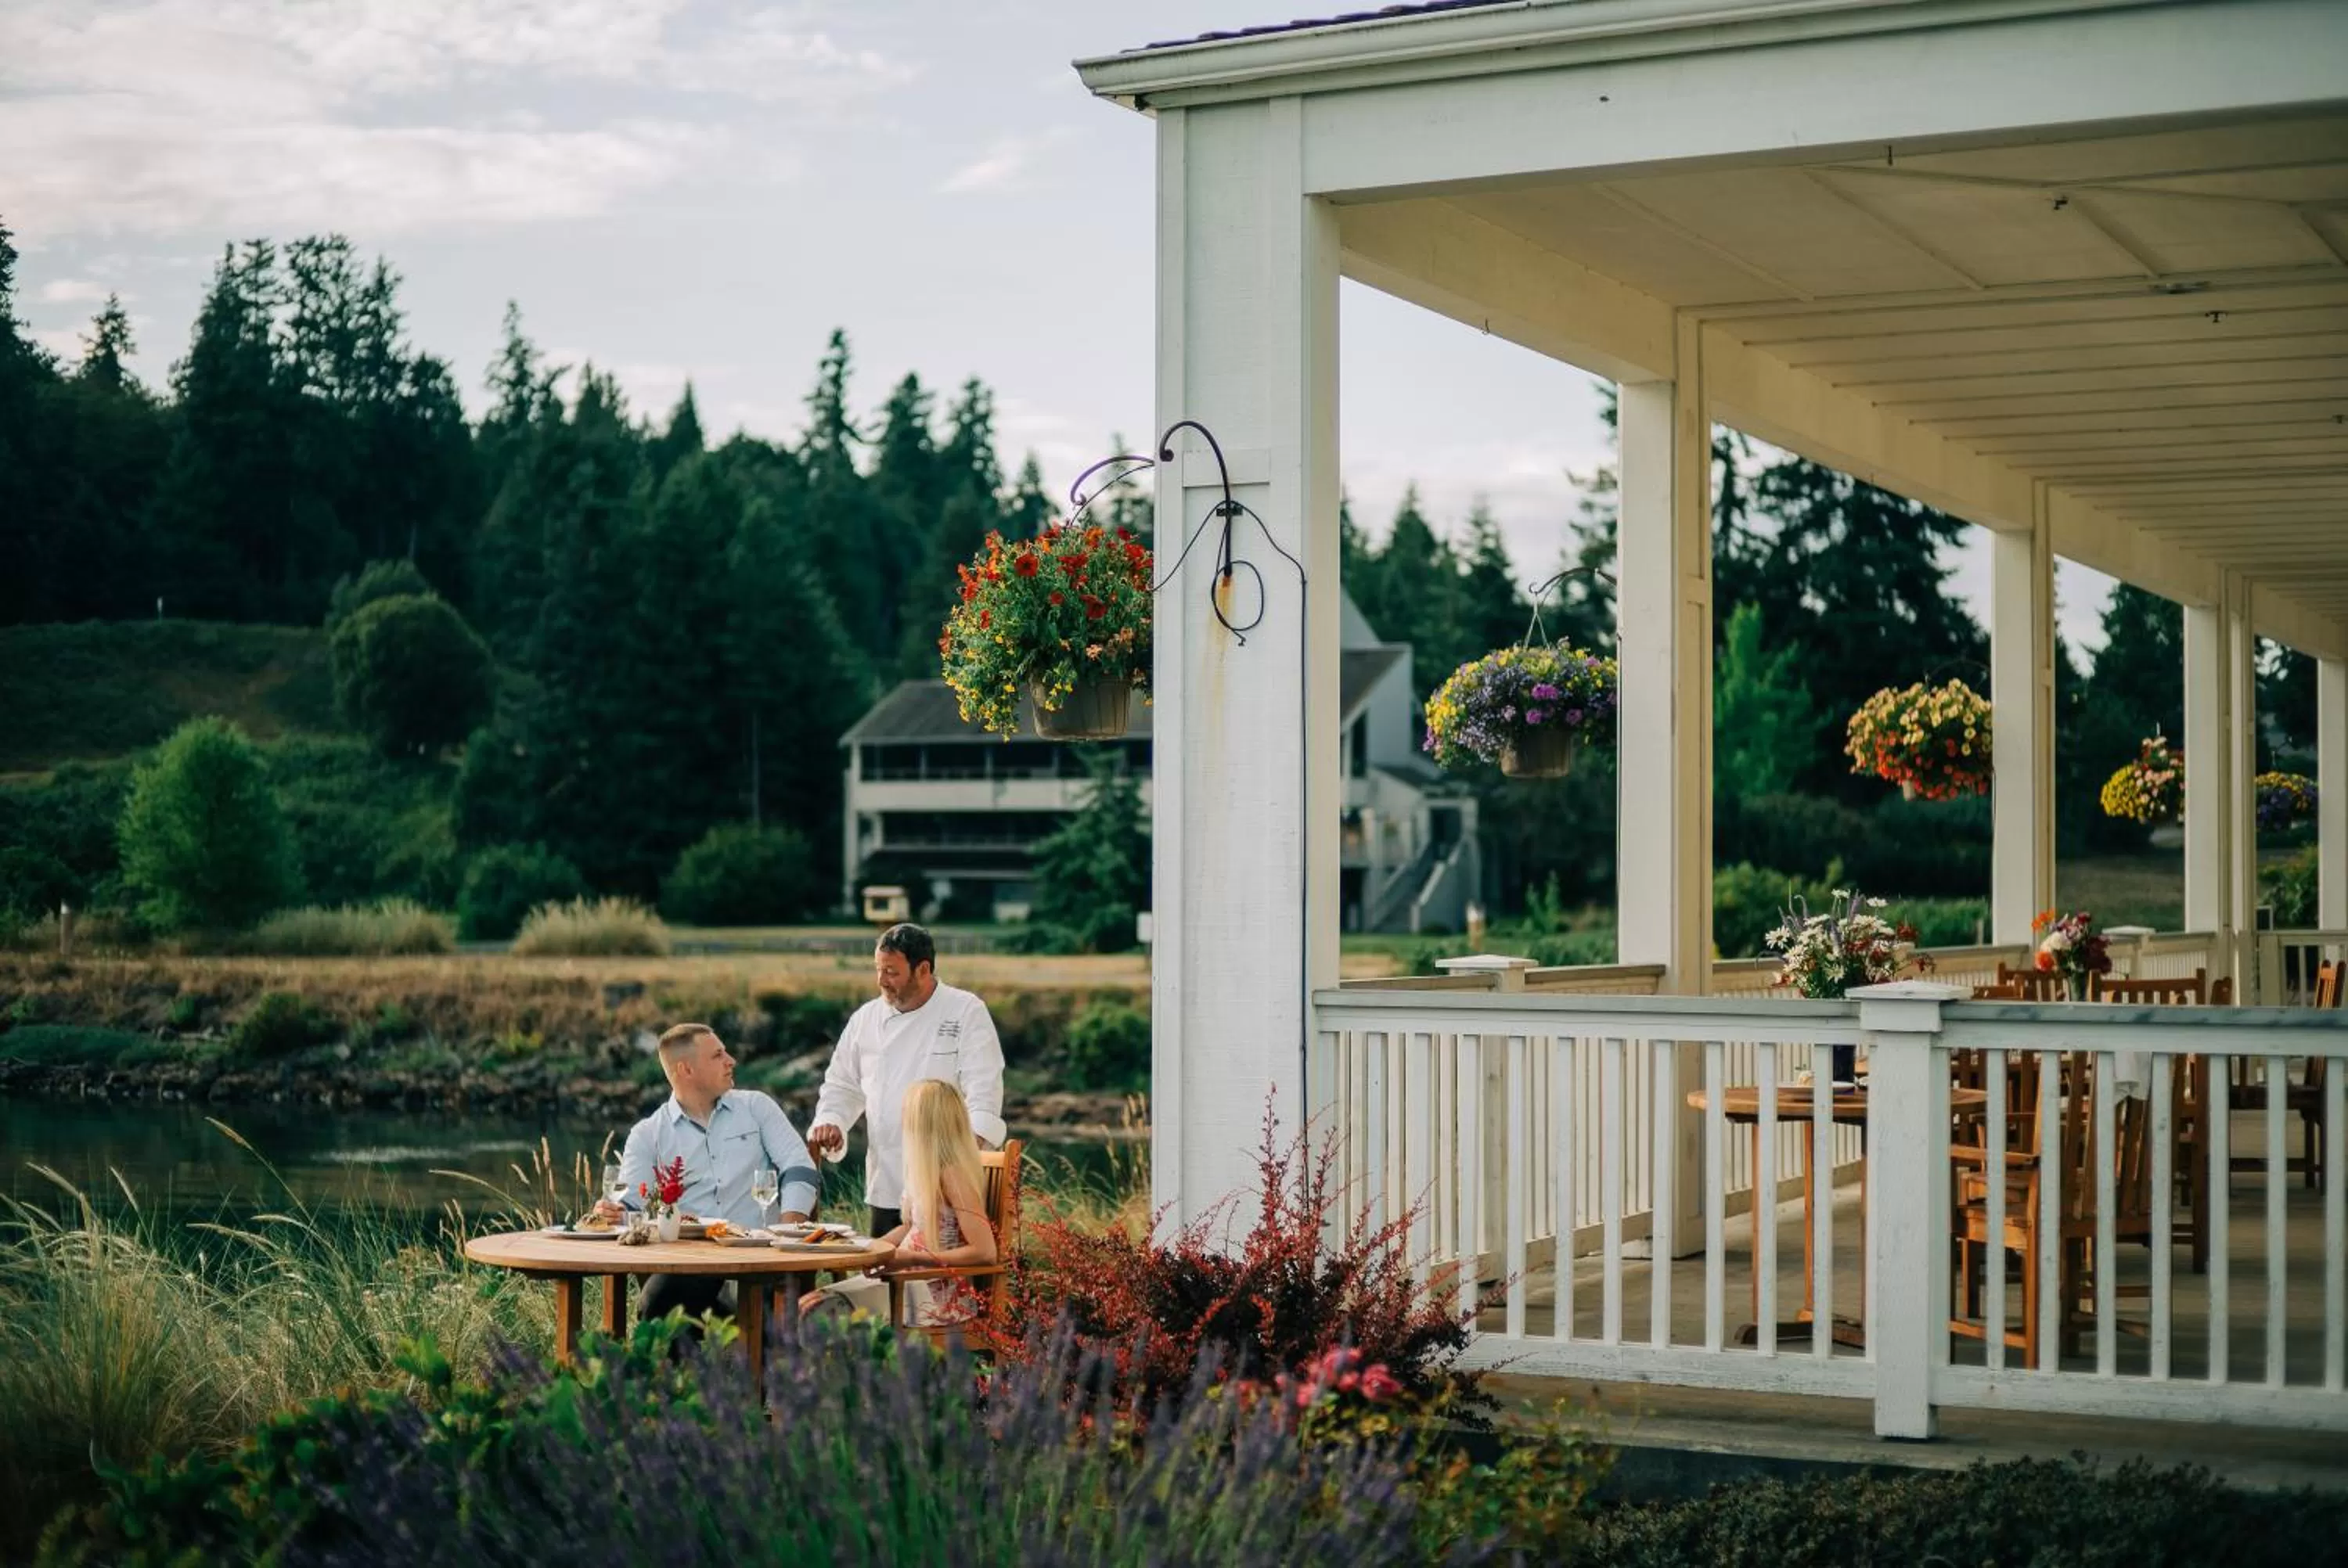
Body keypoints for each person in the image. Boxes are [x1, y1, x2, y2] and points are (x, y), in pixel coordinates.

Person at [597, 1022, 820, 1326]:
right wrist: (612, 1213)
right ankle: (681, 1373)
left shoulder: (757, 1107)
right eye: (718, 1055)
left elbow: (799, 1167)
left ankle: (761, 1373)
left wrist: (788, 1230)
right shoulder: (648, 1134)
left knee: (769, 1303)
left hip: (760, 1255)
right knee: (659, 1300)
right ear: (686, 1070)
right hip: (691, 1262)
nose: (731, 1061)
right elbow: (632, 1207)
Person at [807, 922, 1007, 1238]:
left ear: (923, 969)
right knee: (883, 1276)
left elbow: (984, 1094)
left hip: (946, 1192)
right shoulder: (866, 1019)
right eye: (878, 970)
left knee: (928, 1280)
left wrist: (956, 1168)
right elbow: (842, 1084)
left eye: (891, 972)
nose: (881, 981)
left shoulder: (966, 1011)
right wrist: (832, 1119)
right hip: (888, 1182)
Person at [801, 1079, 997, 1327]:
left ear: (924, 1121)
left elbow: (986, 1252)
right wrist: (868, 1249)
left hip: (936, 1295)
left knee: (821, 1310)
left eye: (907, 1112)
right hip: (907, 1281)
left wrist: (913, 1259)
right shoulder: (925, 1169)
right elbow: (910, 1227)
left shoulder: (953, 1175)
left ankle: (851, 1364)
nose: (902, 1118)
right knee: (810, 1302)